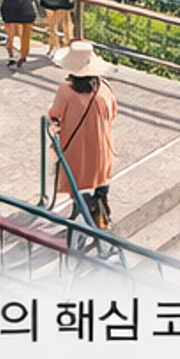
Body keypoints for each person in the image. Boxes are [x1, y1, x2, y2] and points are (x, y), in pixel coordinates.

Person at [48, 42, 117, 226]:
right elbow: (113, 114)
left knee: (77, 180)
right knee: (100, 179)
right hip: (103, 148)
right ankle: (101, 206)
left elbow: (55, 114)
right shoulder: (105, 89)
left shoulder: (66, 91)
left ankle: (86, 209)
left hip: (76, 150)